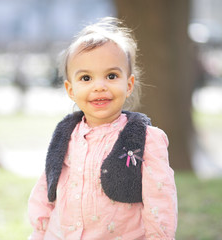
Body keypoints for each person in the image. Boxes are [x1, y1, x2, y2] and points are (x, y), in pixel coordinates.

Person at [28, 17, 177, 240]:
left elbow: (160, 198)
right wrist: (39, 231)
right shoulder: (65, 135)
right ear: (71, 89)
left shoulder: (145, 139)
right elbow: (47, 185)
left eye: (111, 76)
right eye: (86, 78)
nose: (99, 86)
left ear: (128, 85)